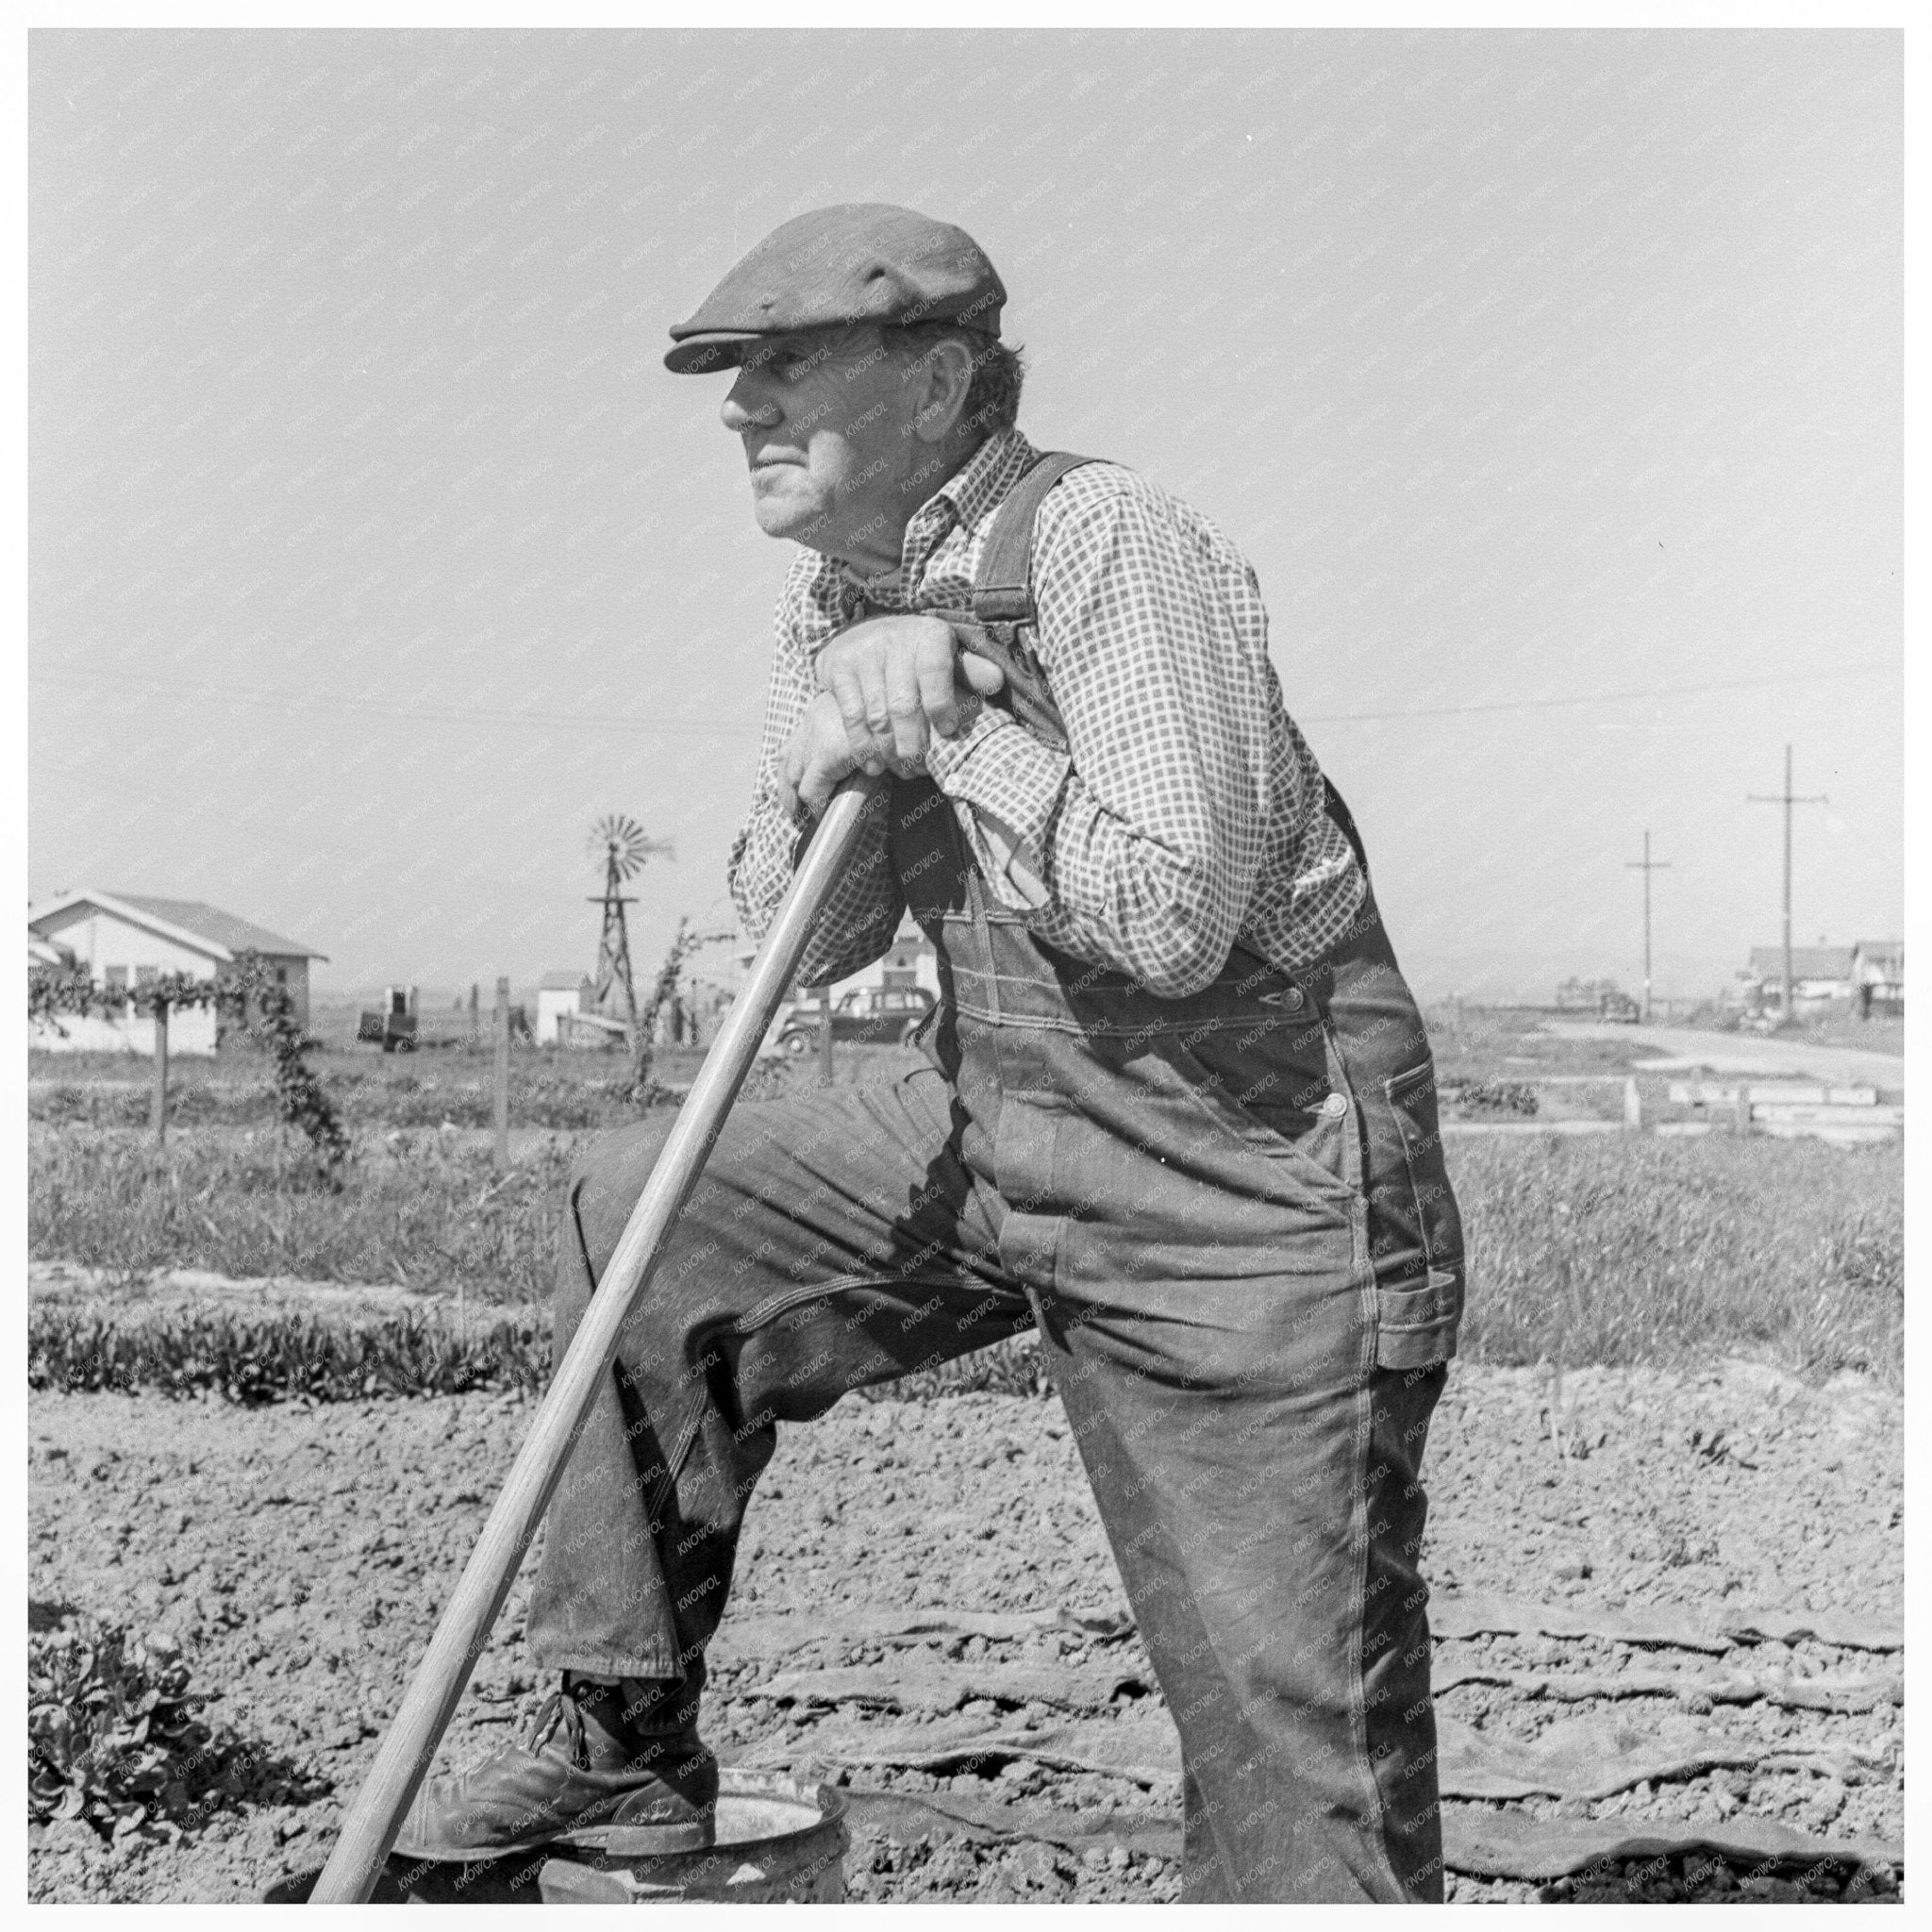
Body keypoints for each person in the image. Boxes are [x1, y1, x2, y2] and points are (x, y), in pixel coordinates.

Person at [399, 203, 1466, 1904]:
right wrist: (836, 757)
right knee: (647, 1210)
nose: (740, 405)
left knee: (1294, 1770)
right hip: (1005, 1112)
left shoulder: (1116, 544)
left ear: (942, 381)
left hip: (1252, 1180)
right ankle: (627, 1743)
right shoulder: (839, 590)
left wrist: (956, 719)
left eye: (785, 364)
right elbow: (809, 944)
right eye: (731, 372)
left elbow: (1180, 918)